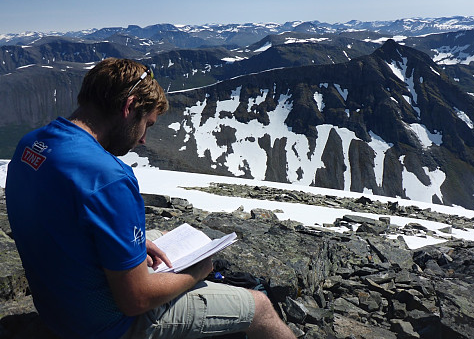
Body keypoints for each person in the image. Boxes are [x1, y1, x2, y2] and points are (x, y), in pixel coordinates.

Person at [5, 58, 295, 339]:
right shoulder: (109, 178)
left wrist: (130, 240)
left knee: (159, 237)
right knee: (260, 308)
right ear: (129, 107)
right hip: (104, 326)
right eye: (148, 123)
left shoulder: (32, 144)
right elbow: (136, 300)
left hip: (57, 307)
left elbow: (58, 214)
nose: (144, 139)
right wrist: (197, 272)